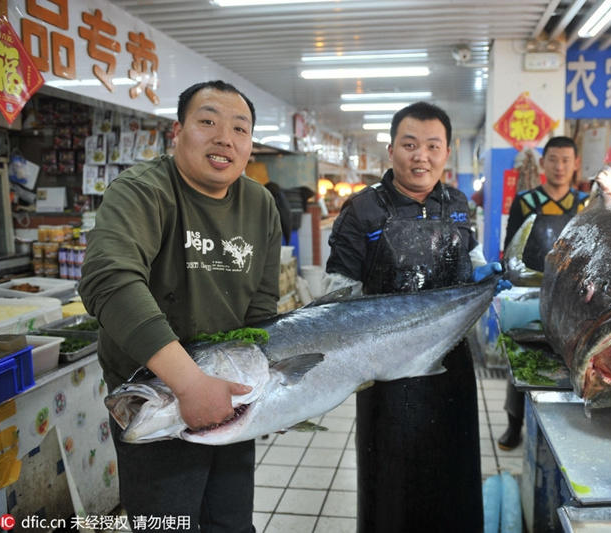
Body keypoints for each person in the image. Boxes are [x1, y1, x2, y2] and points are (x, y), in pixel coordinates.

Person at [78, 80, 282, 533]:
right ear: (177, 131)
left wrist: (271, 393)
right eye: (207, 122)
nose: (224, 138)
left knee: (230, 522)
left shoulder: (260, 204)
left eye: (240, 129)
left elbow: (262, 309)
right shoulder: (142, 190)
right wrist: (188, 383)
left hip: (230, 394)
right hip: (161, 398)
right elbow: (107, 279)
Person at [324, 101, 509, 532]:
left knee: (452, 473)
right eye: (409, 144)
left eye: (432, 145)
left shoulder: (458, 202)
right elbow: (337, 295)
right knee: (391, 481)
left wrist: (482, 273)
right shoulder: (362, 210)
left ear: (447, 151)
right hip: (386, 372)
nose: (420, 156)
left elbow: (471, 253)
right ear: (391, 151)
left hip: (451, 363)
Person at [498, 136, 588, 451]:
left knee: (564, 360)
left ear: (576, 164)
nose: (560, 166)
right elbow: (511, 247)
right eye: (553, 159)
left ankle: (564, 427)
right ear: (543, 163)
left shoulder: (585, 203)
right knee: (521, 360)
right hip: (529, 293)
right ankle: (514, 425)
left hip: (570, 296)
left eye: (566, 160)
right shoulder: (524, 201)